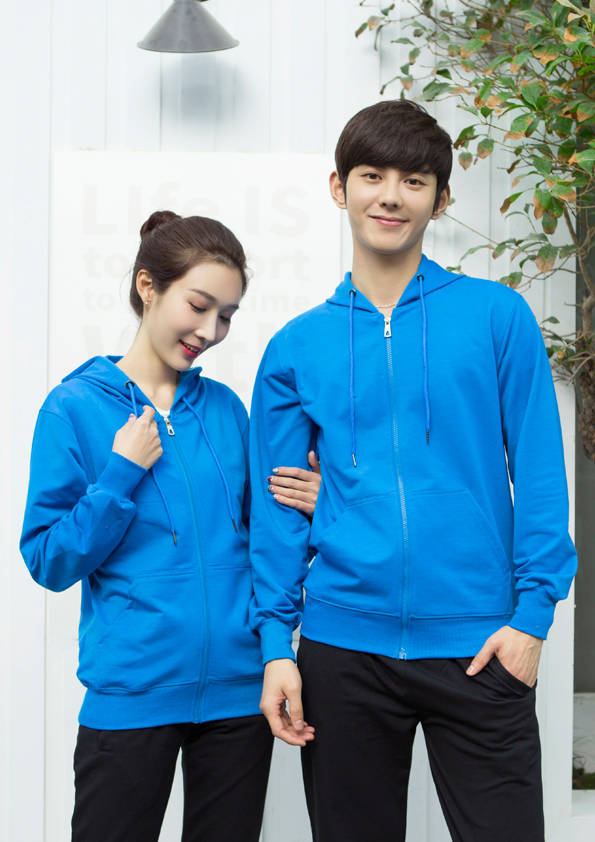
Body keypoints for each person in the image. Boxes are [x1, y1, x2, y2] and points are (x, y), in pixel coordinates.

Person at [250, 100, 577, 842]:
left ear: (441, 198)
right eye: (371, 176)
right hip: (342, 649)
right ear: (338, 188)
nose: (390, 196)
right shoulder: (297, 346)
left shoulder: (497, 317)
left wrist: (530, 620)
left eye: (414, 181)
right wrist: (275, 646)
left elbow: (539, 474)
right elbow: (275, 510)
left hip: (481, 643)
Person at [20, 210, 319, 842]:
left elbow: (265, 538)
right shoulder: (73, 408)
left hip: (238, 696)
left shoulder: (227, 410)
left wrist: (319, 507)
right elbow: (48, 560)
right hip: (132, 695)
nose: (210, 331)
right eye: (199, 306)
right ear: (148, 286)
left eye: (227, 315)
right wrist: (118, 478)